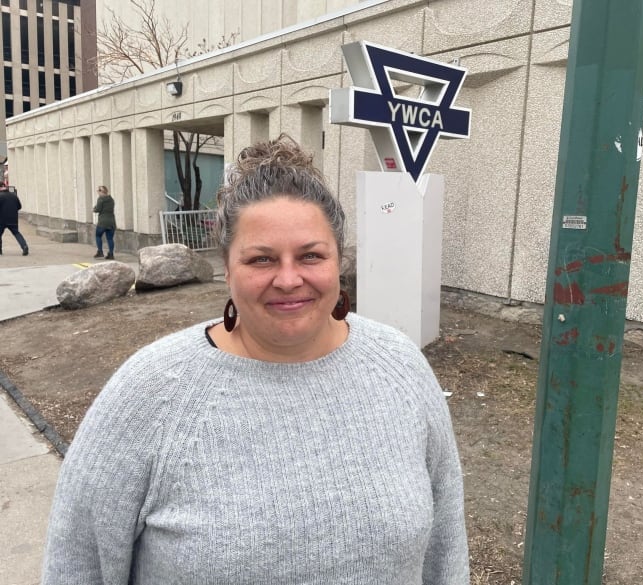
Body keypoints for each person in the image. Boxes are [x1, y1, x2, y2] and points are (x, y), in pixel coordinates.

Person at [42, 134, 469, 584]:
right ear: (226, 268)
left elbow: (446, 550)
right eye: (262, 259)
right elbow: (77, 567)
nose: (289, 279)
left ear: (337, 261)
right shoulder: (149, 393)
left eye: (310, 255)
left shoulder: (400, 367)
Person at [0, 182, 29, 256]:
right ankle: (24, 246)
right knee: (16, 233)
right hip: (13, 219)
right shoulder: (14, 196)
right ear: (5, 187)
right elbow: (19, 206)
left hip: (2, 219)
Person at [93, 185, 116, 259]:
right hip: (111, 222)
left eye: (98, 190)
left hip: (103, 222)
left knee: (98, 236)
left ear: (101, 192)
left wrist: (94, 209)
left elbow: (98, 209)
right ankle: (111, 254)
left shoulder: (101, 199)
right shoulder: (111, 199)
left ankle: (100, 252)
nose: (97, 192)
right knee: (110, 238)